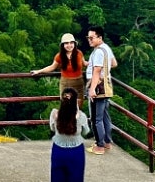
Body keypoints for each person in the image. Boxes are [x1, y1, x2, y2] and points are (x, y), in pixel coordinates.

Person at [86, 26, 118, 155]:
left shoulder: (98, 51)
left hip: (99, 88)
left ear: (100, 37)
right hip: (106, 86)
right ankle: (106, 142)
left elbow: (97, 71)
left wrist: (92, 89)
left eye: (92, 38)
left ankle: (99, 146)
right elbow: (114, 63)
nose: (89, 40)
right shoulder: (106, 48)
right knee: (105, 117)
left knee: (96, 118)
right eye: (88, 38)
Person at [50, 87, 90, 182]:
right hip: (76, 152)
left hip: (58, 151)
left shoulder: (54, 114)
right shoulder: (82, 116)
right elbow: (86, 132)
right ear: (75, 101)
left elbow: (52, 128)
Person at [31, 33, 86, 101]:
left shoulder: (79, 53)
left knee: (78, 106)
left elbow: (85, 63)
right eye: (66, 43)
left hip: (78, 83)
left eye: (71, 43)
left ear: (74, 44)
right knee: (66, 105)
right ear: (63, 45)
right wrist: (38, 71)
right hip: (66, 83)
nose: (69, 45)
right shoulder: (59, 56)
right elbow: (52, 67)